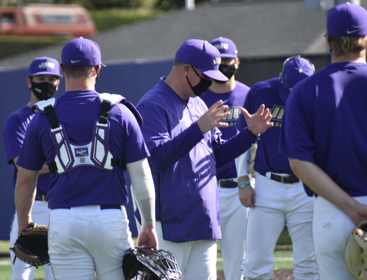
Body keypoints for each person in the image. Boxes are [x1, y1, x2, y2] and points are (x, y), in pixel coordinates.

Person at [14, 37, 158, 280]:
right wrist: (148, 225)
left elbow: (25, 180)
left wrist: (24, 223)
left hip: (64, 220)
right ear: (98, 68)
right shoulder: (120, 112)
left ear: (62, 70)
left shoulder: (40, 117)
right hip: (109, 219)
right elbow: (141, 175)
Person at [279, 3, 367, 280]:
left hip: (331, 211)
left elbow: (299, 164)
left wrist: (350, 208)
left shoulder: (303, 91)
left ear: (328, 41)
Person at [135, 39, 273, 280]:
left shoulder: (197, 103)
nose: (210, 82)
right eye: (206, 76)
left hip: (204, 219)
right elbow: (156, 158)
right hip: (171, 224)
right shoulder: (153, 104)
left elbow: (217, 155)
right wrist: (198, 129)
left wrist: (249, 134)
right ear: (186, 69)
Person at [236, 56, 318, 280]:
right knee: (255, 264)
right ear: (280, 79)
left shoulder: (321, 94)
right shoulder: (260, 92)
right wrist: (243, 180)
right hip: (267, 186)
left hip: (306, 187)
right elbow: (244, 137)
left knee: (309, 265)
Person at [4, 56, 62, 280]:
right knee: (20, 274)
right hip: (32, 206)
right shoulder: (17, 120)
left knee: (58, 274)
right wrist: (61, 161)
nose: (46, 83)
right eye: (40, 78)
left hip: (61, 206)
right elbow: (23, 165)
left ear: (59, 82)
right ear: (29, 82)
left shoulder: (64, 115)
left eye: (51, 78)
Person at [199, 37, 249, 280]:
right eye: (216, 63)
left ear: (236, 62)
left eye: (226, 61)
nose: (222, 67)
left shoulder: (250, 95)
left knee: (237, 262)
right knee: (199, 259)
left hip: (238, 188)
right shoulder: (197, 100)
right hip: (204, 187)